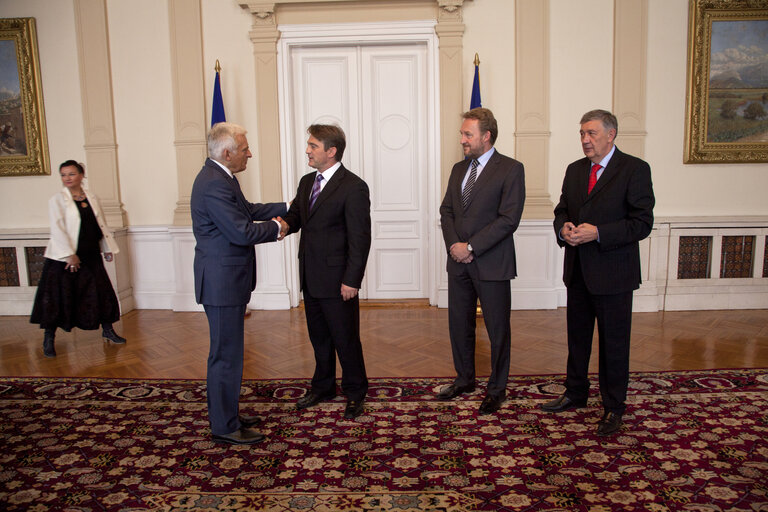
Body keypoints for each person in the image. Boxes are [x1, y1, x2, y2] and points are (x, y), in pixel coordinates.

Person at [542, 109, 655, 437]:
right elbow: (562, 207)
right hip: (578, 271)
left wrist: (599, 233)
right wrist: (562, 227)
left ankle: (613, 407)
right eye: (581, 133)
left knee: (614, 344)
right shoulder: (575, 170)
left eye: (591, 133)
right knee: (577, 340)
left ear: (611, 134)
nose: (585, 140)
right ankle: (575, 393)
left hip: (614, 275)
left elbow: (641, 222)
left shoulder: (634, 169)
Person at [191, 122, 287, 445]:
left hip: (227, 280)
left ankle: (228, 412)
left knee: (229, 352)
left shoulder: (221, 178)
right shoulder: (213, 184)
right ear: (228, 152)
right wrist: (277, 229)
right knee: (225, 355)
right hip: (221, 283)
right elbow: (241, 231)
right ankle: (224, 426)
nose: (250, 154)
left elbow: (248, 211)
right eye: (245, 149)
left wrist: (290, 208)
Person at [279, 124, 371, 420]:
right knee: (319, 338)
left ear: (331, 152)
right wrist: (278, 227)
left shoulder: (354, 186)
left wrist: (352, 280)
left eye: (313, 145)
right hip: (311, 276)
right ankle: (323, 387)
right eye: (308, 145)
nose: (307, 150)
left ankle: (355, 392)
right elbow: (296, 218)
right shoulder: (307, 182)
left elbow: (360, 238)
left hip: (338, 281)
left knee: (346, 340)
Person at [437, 107, 526, 415]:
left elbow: (508, 219)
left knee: (497, 329)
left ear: (486, 136)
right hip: (458, 262)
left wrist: (471, 246)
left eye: (467, 134)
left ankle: (497, 389)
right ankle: (464, 379)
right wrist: (454, 246)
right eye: (462, 133)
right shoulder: (458, 169)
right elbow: (446, 211)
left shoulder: (511, 169)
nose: (462, 139)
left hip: (492, 262)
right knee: (458, 325)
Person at [30, 160, 125, 357]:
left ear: (81, 175)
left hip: (90, 255)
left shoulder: (91, 197)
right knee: (58, 298)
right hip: (64, 258)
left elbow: (99, 224)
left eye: (71, 174)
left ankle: (107, 330)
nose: (67, 178)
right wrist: (69, 255)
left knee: (100, 292)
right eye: (63, 175)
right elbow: (58, 229)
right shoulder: (57, 200)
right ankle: (49, 339)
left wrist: (106, 248)